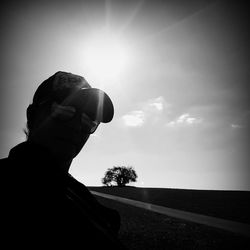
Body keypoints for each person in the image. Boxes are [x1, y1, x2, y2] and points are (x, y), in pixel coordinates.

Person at [1, 71, 126, 249]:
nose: (76, 126)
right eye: (62, 110)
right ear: (32, 115)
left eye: (88, 120)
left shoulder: (74, 191)